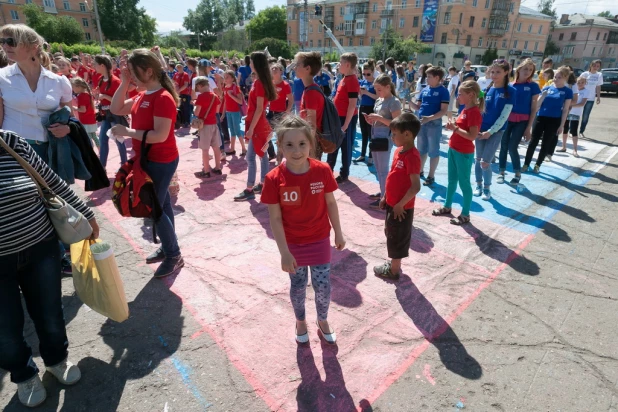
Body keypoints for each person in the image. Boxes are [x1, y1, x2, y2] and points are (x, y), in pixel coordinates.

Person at [0, 131, 100, 407]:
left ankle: (56, 360)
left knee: (50, 314)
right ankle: (24, 375)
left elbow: (51, 180)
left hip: (40, 248)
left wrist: (86, 214)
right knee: (5, 331)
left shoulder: (10, 142)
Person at [261, 116, 345, 344]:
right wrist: (284, 252)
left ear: (311, 144)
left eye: (302, 144)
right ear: (279, 146)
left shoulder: (322, 170)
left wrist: (338, 231)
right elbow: (275, 219)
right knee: (298, 286)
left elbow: (330, 203)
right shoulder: (273, 179)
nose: (296, 150)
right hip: (293, 245)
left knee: (323, 286)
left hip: (319, 240)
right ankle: (300, 321)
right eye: (289, 144)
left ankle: (323, 319)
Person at [109, 49, 184, 278]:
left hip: (161, 160)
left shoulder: (162, 98)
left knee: (155, 209)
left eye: (133, 71)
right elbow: (115, 108)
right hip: (147, 159)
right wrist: (123, 82)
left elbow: (160, 135)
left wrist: (127, 130)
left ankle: (174, 255)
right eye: (128, 72)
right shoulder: (143, 95)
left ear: (149, 71)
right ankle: (169, 248)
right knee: (163, 206)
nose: (130, 75)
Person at [373, 112, 422, 280]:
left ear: (407, 134)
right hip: (392, 204)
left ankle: (394, 270)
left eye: (394, 134)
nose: (392, 137)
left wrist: (401, 204)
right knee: (390, 233)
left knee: (398, 238)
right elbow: (392, 176)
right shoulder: (399, 151)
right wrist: (385, 197)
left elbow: (416, 186)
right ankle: (393, 264)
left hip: (401, 208)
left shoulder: (413, 157)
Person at [431, 80, 483, 225]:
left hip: (463, 153)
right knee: (452, 180)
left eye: (460, 94)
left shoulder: (474, 112)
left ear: (471, 95)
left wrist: (454, 128)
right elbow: (462, 130)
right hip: (454, 149)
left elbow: (472, 136)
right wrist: (454, 127)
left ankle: (465, 214)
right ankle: (447, 206)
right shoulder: (464, 110)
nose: (458, 97)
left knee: (464, 183)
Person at [234, 51, 277, 202]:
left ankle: (250, 188)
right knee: (259, 156)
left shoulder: (259, 83)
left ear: (256, 64)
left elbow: (259, 108)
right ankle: (260, 185)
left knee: (252, 157)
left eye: (251, 62)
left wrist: (251, 128)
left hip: (258, 126)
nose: (249, 64)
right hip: (260, 125)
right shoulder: (261, 82)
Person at [473, 60, 516, 200]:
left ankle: (486, 188)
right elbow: (479, 110)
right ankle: (478, 185)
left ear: (506, 72)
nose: (494, 74)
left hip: (496, 132)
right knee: (477, 160)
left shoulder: (511, 91)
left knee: (485, 162)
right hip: (480, 130)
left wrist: (490, 132)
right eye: (492, 72)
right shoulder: (487, 90)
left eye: (498, 72)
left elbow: (504, 116)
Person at [497, 58, 540, 186]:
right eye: (526, 68)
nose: (528, 72)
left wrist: (528, 128)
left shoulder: (533, 86)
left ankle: (517, 174)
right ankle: (501, 172)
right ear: (519, 69)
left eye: (531, 70)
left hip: (522, 121)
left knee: (512, 147)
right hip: (507, 120)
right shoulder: (510, 85)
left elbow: (534, 109)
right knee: (503, 146)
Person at [523, 66, 573, 173]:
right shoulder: (547, 88)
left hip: (554, 120)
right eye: (555, 77)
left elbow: (565, 110)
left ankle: (538, 165)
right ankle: (526, 164)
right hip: (541, 117)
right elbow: (537, 106)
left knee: (546, 143)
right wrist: (542, 96)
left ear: (565, 78)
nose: (556, 79)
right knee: (533, 142)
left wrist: (562, 125)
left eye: (559, 77)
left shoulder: (567, 91)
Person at [364, 74, 402, 208]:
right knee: (379, 168)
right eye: (375, 89)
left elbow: (397, 124)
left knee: (383, 169)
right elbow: (379, 119)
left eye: (379, 89)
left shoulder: (394, 102)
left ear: (388, 87)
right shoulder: (380, 100)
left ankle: (385, 198)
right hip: (376, 135)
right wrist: (371, 120)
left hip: (385, 137)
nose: (377, 92)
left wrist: (378, 118)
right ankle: (383, 192)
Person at [408, 66, 449, 186]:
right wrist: (408, 100)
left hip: (433, 124)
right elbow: (417, 107)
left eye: (429, 77)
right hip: (422, 122)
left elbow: (443, 111)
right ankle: (420, 171)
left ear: (437, 78)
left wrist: (429, 118)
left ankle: (431, 176)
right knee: (421, 150)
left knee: (433, 151)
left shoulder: (443, 91)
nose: (427, 79)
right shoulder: (425, 90)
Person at [327, 52, 360, 183]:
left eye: (340, 63)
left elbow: (352, 105)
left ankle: (344, 173)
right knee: (333, 145)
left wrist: (346, 125)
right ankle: (329, 169)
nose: (338, 65)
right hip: (338, 118)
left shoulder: (352, 81)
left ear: (347, 65)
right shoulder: (344, 79)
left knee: (345, 148)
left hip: (345, 119)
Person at [94, 54, 127, 169]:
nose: (94, 66)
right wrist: (98, 96)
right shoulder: (100, 79)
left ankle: (124, 165)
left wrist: (104, 97)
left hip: (115, 115)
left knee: (119, 140)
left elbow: (121, 101)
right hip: (104, 114)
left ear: (102, 65)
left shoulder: (116, 81)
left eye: (96, 64)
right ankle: (102, 166)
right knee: (103, 140)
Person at [296, 51, 326, 161]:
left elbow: (312, 125)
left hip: (312, 142)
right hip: (311, 140)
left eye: (298, 64)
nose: (295, 67)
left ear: (307, 68)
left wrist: (307, 148)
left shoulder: (311, 93)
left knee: (311, 175)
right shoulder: (309, 89)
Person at [192, 78, 222, 178]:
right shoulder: (214, 96)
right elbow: (217, 111)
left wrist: (194, 107)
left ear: (200, 86)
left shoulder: (200, 97)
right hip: (214, 124)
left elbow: (196, 112)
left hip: (204, 126)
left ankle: (206, 171)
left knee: (205, 149)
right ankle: (218, 168)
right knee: (216, 147)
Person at [267, 63, 293, 159]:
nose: (273, 69)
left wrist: (286, 112)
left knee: (279, 137)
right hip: (270, 112)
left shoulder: (285, 85)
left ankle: (279, 157)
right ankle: (271, 154)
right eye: (272, 68)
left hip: (280, 114)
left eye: (276, 68)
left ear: (281, 71)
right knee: (265, 134)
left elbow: (291, 100)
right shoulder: (270, 84)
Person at [558, 76, 589, 157]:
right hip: (567, 112)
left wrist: (570, 105)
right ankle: (563, 147)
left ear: (585, 83)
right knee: (565, 129)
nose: (580, 84)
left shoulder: (586, 91)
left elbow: (582, 104)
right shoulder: (573, 89)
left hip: (576, 113)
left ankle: (575, 150)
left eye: (582, 82)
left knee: (574, 131)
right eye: (578, 82)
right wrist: (568, 106)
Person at [221, 70, 246, 156]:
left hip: (235, 112)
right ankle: (232, 148)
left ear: (232, 78)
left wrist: (231, 95)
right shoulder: (225, 88)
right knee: (232, 131)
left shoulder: (235, 88)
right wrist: (223, 113)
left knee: (237, 130)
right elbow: (225, 101)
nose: (225, 79)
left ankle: (243, 148)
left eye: (227, 77)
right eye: (224, 77)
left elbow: (240, 101)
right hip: (228, 112)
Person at [355, 66, 377, 165]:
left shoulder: (376, 83)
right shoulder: (362, 82)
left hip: (371, 108)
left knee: (371, 133)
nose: (366, 76)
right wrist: (360, 93)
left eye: (368, 74)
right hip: (362, 107)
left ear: (373, 72)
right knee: (363, 132)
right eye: (364, 74)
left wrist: (367, 93)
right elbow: (359, 96)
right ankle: (363, 154)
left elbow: (378, 97)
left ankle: (371, 155)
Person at [71, 77, 100, 149]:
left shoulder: (81, 96)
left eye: (73, 87)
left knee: (88, 138)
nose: (72, 89)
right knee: (94, 136)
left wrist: (74, 108)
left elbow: (83, 110)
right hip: (91, 119)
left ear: (78, 86)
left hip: (85, 121)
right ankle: (100, 149)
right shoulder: (87, 94)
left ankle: (91, 153)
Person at [579, 59, 603, 138]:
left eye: (597, 66)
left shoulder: (599, 75)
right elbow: (578, 84)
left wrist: (598, 97)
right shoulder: (585, 74)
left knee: (585, 116)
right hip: (581, 97)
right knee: (575, 114)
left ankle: (581, 131)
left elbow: (598, 86)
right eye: (594, 65)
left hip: (590, 99)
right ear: (591, 65)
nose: (595, 67)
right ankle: (571, 130)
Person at [173, 63, 191, 128]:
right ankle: (181, 121)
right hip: (178, 94)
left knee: (186, 108)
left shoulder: (185, 75)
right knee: (180, 108)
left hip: (185, 93)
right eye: (178, 67)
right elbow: (174, 82)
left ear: (182, 67)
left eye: (180, 67)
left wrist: (178, 90)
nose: (179, 68)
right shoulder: (176, 74)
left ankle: (187, 122)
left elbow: (186, 85)